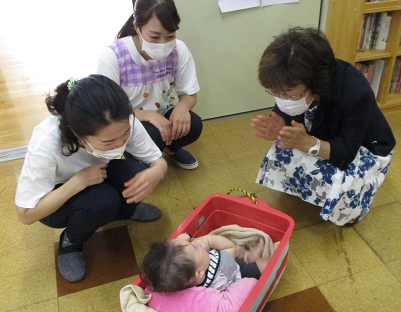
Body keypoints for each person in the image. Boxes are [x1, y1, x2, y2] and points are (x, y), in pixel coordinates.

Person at [15, 75, 168, 283]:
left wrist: (156, 172)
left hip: (99, 173)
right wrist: (78, 182)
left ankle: (123, 210)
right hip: (58, 198)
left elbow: (156, 160)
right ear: (77, 133)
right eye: (109, 141)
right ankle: (71, 242)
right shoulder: (46, 143)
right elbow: (25, 214)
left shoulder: (121, 120)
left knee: (135, 173)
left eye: (125, 135)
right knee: (102, 201)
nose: (120, 143)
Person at [251, 27, 395, 227]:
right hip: (319, 133)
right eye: (275, 92)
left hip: (364, 147)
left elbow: (346, 153)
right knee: (282, 149)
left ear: (315, 84)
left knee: (342, 175)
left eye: (289, 94)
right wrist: (281, 128)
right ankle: (302, 189)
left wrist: (309, 143)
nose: (282, 99)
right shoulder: (289, 84)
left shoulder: (355, 92)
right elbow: (287, 114)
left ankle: (352, 206)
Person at [97, 0, 202, 170]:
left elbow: (189, 93)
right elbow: (107, 111)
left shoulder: (179, 49)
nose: (163, 44)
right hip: (127, 118)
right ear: (137, 28)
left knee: (193, 124)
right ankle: (137, 155)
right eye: (154, 36)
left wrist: (182, 107)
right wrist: (148, 115)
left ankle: (170, 149)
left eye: (170, 36)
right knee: (152, 135)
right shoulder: (113, 58)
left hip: (163, 111)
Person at [139, 233, 268, 292]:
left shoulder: (182, 284)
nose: (196, 244)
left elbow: (170, 260)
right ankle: (253, 257)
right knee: (265, 265)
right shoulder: (219, 261)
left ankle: (241, 254)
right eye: (195, 248)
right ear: (199, 273)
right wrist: (207, 240)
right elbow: (229, 247)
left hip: (228, 279)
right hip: (239, 274)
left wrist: (182, 242)